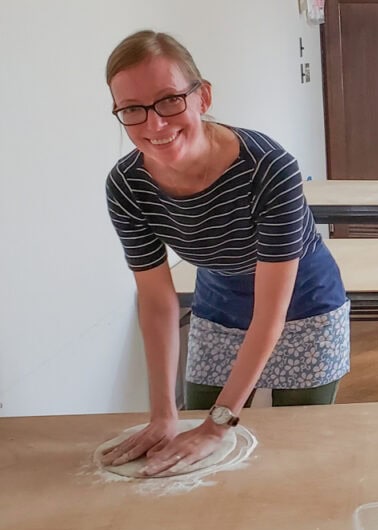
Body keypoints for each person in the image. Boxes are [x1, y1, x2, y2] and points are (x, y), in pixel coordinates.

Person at [99, 31, 350, 476]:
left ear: (203, 97)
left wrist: (219, 425)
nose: (154, 124)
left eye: (169, 100)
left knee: (299, 452)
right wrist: (163, 413)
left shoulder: (268, 167)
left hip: (304, 306)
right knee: (197, 453)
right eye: (132, 109)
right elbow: (157, 301)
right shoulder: (127, 185)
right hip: (218, 300)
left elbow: (271, 313)